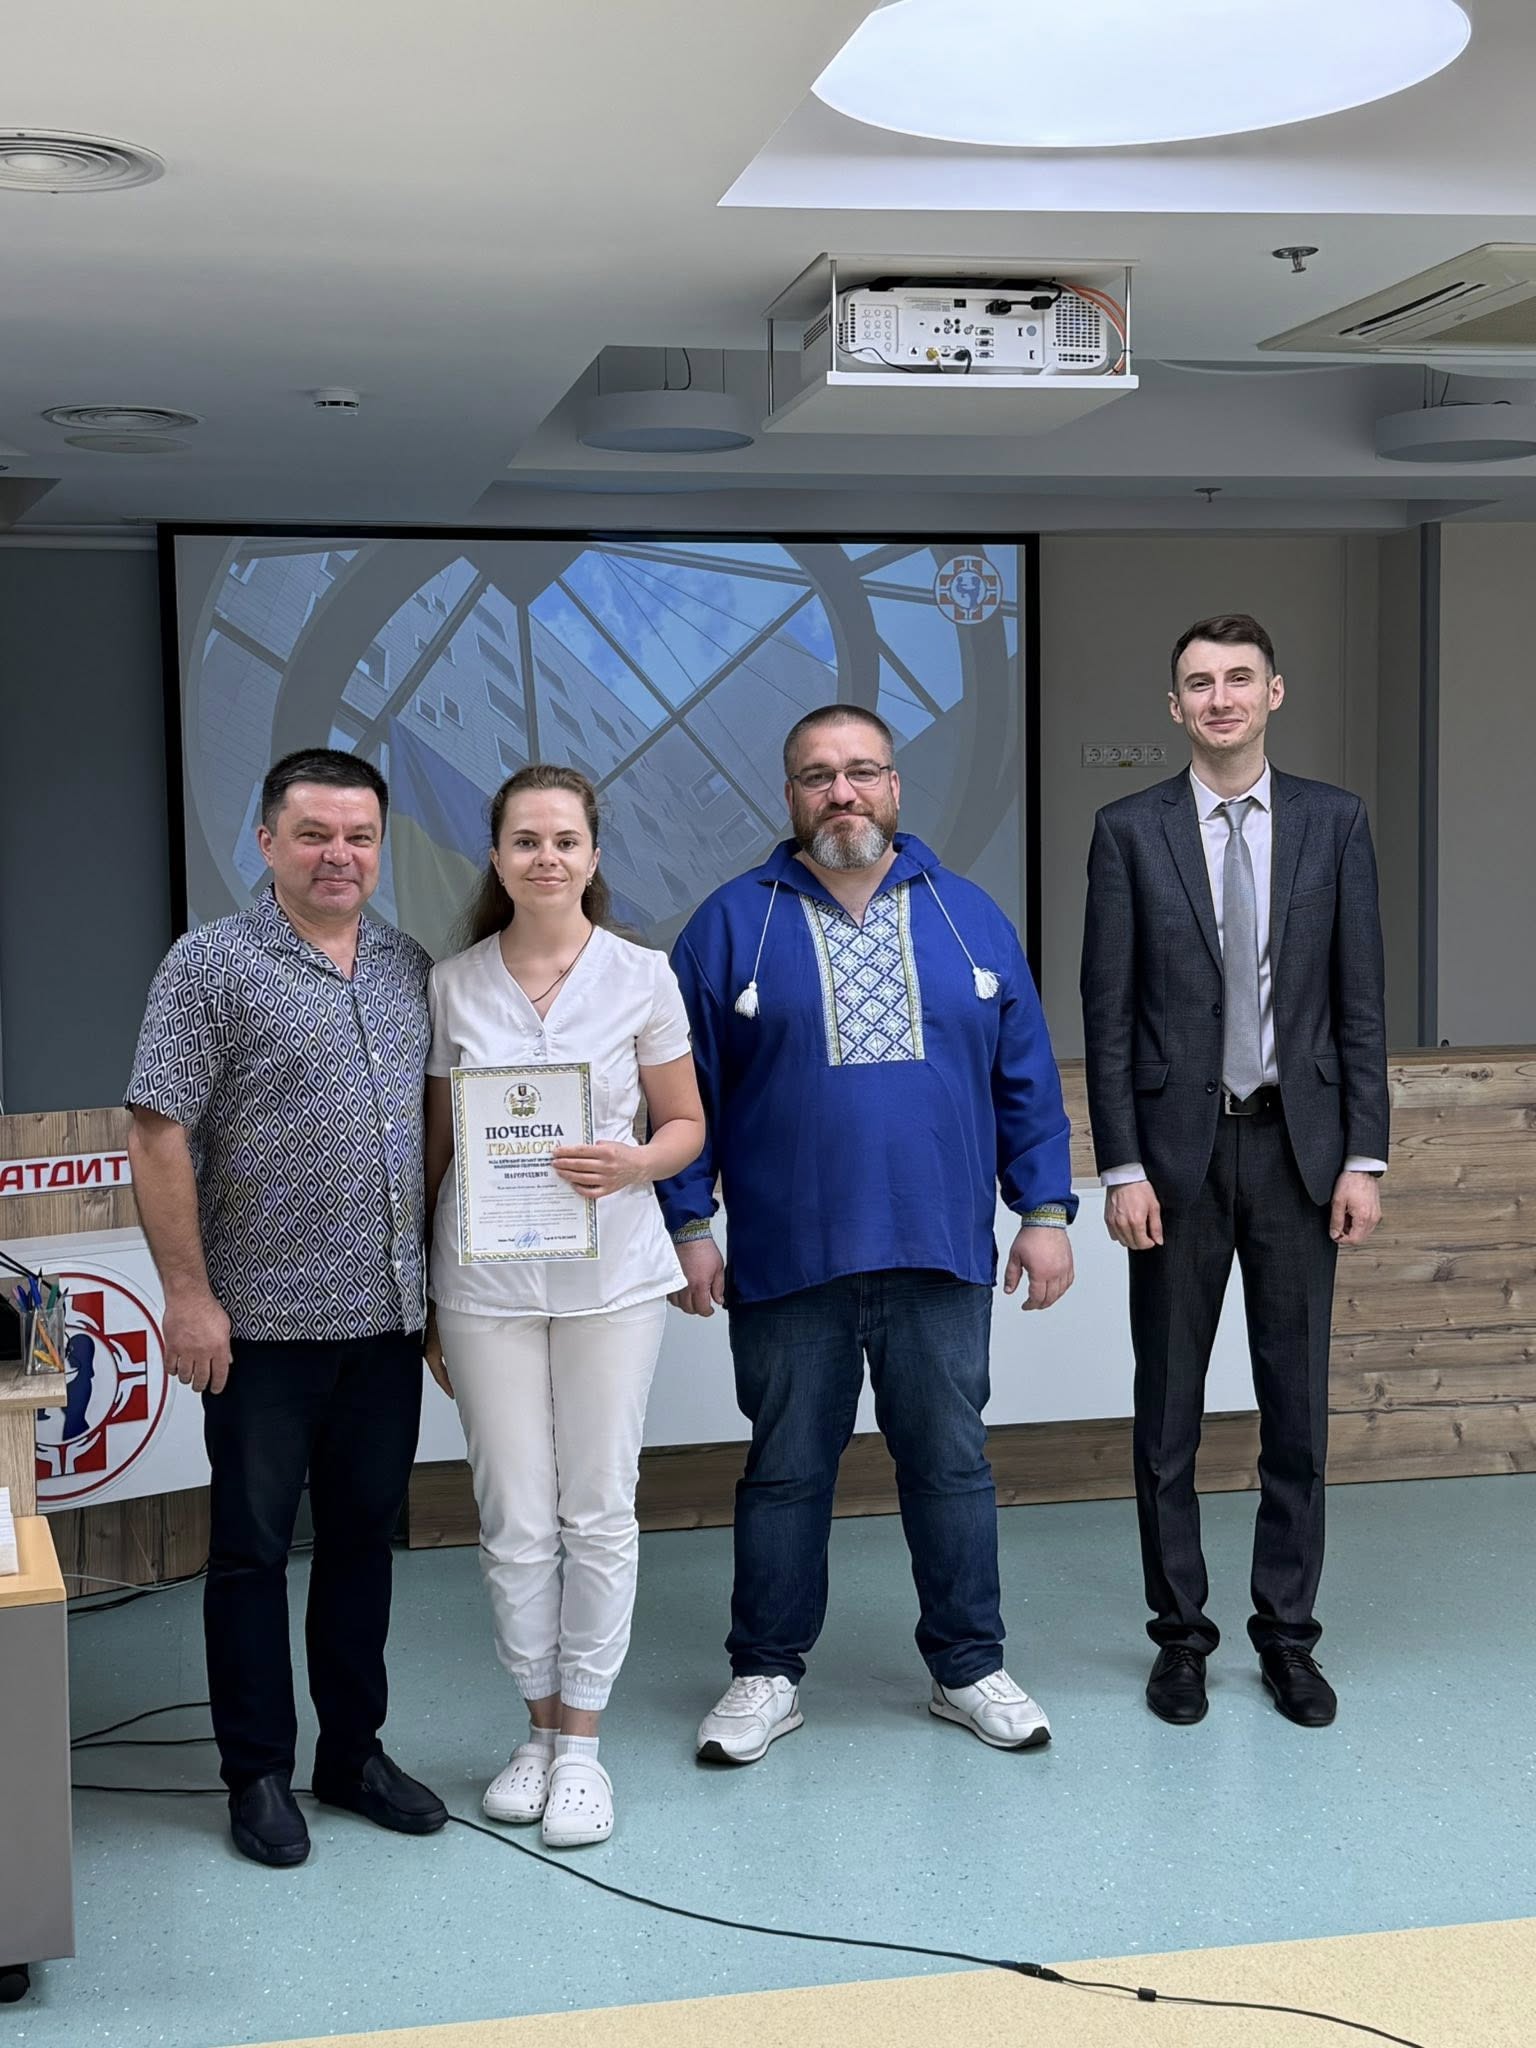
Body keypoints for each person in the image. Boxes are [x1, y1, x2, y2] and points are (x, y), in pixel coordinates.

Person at [659, 706, 1076, 1765]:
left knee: (951, 1466)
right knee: (785, 1472)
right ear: (790, 796)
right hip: (789, 1259)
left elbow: (1025, 1079)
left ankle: (968, 1666)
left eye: (860, 772)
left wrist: (1043, 1212)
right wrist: (688, 1224)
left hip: (940, 1252)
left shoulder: (969, 916)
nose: (840, 792)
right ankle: (765, 1673)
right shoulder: (729, 926)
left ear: (895, 785)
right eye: (817, 776)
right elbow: (679, 1093)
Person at [126, 748, 445, 1868]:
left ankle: (352, 1754)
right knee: (253, 1553)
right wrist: (187, 1294)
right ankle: (257, 1772)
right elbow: (156, 1130)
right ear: (267, 842)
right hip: (256, 1326)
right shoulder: (208, 965)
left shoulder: (409, 967)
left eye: (358, 835)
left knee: (363, 1546)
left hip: (385, 1320)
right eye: (313, 834)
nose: (337, 855)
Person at [1080, 614, 1388, 1731]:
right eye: (1200, 683)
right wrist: (1121, 1165)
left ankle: (1288, 1637)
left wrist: (1364, 1155)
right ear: (1175, 706)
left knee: (1295, 1411)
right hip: (1176, 1161)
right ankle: (1181, 1638)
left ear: (1274, 693)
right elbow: (1108, 1016)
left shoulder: (1334, 822)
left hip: (1301, 1155)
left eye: (1239, 679)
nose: (1220, 698)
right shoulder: (1129, 831)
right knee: (1167, 1414)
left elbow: (1360, 1003)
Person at [423, 765, 704, 1848]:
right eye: (526, 841)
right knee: (514, 1517)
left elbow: (686, 1125)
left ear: (593, 856)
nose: (547, 857)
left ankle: (582, 1743)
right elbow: (437, 1149)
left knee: (597, 1509)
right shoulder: (452, 984)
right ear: (496, 858)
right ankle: (535, 1729)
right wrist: (426, 1302)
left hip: (611, 1283)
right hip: (482, 1284)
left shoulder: (643, 975)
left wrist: (634, 1163)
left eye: (566, 840)